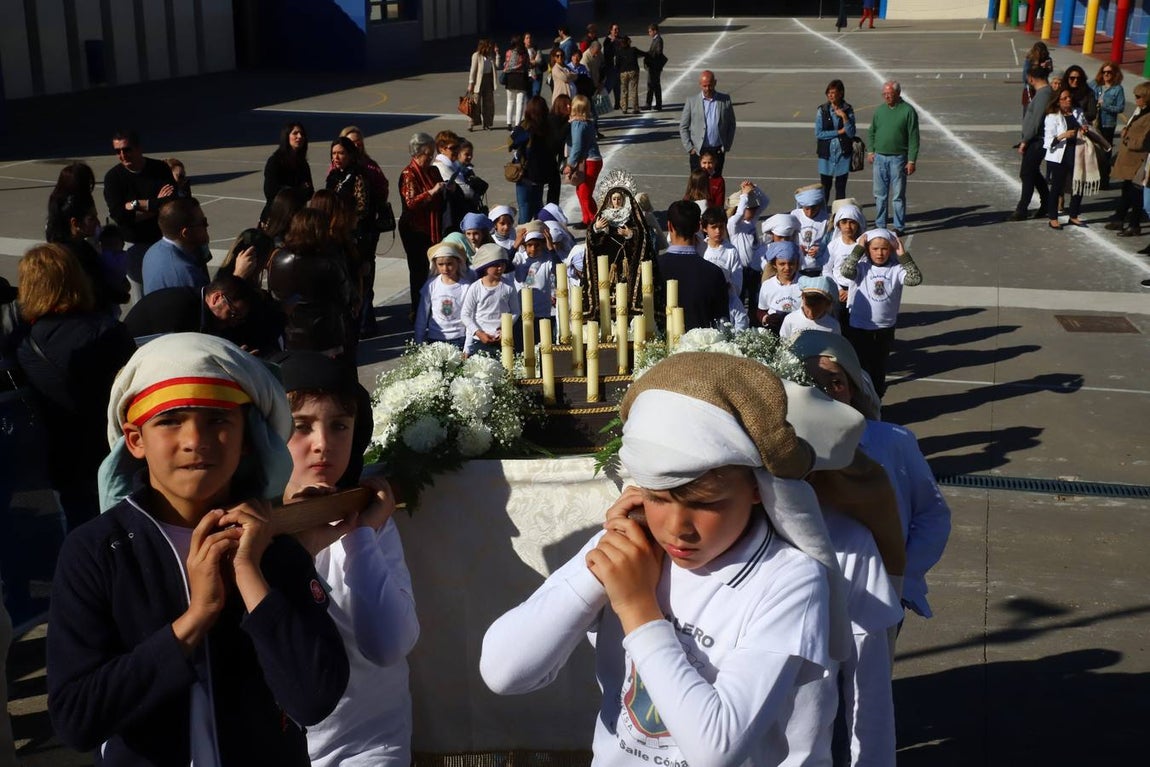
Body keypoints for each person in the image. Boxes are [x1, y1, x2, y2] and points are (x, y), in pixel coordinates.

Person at [481, 351, 866, 767]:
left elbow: (716, 749)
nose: (678, 529)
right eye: (658, 499)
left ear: (758, 488)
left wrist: (636, 607)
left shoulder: (788, 580)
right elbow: (505, 672)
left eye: (707, 503)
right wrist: (598, 566)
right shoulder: (631, 549)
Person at [46, 333, 349, 766]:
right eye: (170, 420)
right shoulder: (98, 551)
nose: (195, 440)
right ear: (134, 439)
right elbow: (77, 719)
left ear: (247, 436)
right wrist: (196, 619)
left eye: (217, 420)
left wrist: (249, 574)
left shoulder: (273, 545)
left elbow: (314, 698)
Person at [278, 352, 419, 767]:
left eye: (339, 426)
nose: (323, 444)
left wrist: (359, 536)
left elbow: (388, 644)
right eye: (300, 427)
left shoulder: (369, 522)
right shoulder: (255, 523)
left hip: (369, 744)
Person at [794, 331, 951, 631]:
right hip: (806, 598)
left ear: (852, 387)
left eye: (835, 383)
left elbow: (933, 515)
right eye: (809, 384)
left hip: (880, 597)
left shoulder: (893, 442)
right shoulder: (784, 453)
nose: (823, 393)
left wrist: (901, 576)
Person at [15, 244, 137, 531]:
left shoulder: (24, 343)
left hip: (63, 460)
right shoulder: (108, 332)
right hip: (114, 453)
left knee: (80, 534)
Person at [838, 229, 923, 398]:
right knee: (859, 368)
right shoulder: (861, 268)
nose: (880, 253)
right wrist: (858, 249)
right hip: (859, 327)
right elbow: (846, 271)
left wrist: (902, 254)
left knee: (878, 369)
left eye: (884, 249)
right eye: (875, 249)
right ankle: (858, 400)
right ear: (868, 249)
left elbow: (915, 278)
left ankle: (876, 401)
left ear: (890, 250)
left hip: (884, 329)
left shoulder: (896, 270)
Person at [268, 208, 357, 355]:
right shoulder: (328, 264)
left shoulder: (278, 259)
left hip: (288, 336)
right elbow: (344, 298)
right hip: (324, 337)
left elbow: (274, 293)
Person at [103, 129, 177, 300]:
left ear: (138, 148)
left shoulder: (159, 169)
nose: (122, 155)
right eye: (117, 151)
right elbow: (120, 216)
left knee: (168, 291)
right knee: (143, 297)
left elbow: (172, 201)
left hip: (163, 240)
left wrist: (135, 204)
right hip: (135, 244)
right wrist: (157, 205)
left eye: (126, 149)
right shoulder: (113, 178)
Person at [45, 190, 130, 314]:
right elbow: (94, 289)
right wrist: (120, 293)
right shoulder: (69, 255)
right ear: (75, 223)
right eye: (92, 219)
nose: (98, 223)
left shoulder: (83, 245)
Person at [124, 272, 258, 342]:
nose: (233, 323)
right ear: (216, 298)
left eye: (239, 319)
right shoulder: (179, 310)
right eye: (233, 314)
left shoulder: (200, 306)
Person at [657, 201, 726, 331]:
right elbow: (722, 324)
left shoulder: (652, 267)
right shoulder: (714, 273)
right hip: (699, 349)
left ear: (669, 226)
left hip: (657, 346)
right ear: (698, 227)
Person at [399, 132, 447, 312]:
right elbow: (411, 203)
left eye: (432, 154)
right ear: (417, 153)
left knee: (434, 270)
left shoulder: (433, 170)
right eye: (428, 154)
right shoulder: (408, 174)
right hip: (416, 229)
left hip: (434, 226)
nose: (431, 158)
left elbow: (440, 189)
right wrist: (432, 192)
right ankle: (418, 309)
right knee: (419, 271)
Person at [867, 81, 919, 236]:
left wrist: (911, 160)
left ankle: (899, 226)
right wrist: (871, 151)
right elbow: (872, 132)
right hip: (880, 158)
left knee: (898, 195)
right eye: (884, 94)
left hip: (898, 159)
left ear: (898, 93)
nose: (886, 96)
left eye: (889, 93)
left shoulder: (908, 111)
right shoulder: (879, 111)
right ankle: (880, 224)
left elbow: (913, 137)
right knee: (880, 194)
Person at [141, 197, 212, 294]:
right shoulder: (185, 273)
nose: (207, 225)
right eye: (203, 222)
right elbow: (208, 306)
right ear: (185, 233)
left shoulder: (153, 251)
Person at [1010, 62, 1052, 221]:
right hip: (1035, 139)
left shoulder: (1043, 94)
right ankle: (1046, 202)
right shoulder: (1043, 93)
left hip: (1037, 140)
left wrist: (1025, 140)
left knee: (1027, 173)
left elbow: (1035, 120)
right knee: (1032, 172)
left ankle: (1022, 208)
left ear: (1031, 78)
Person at [1043, 88, 1090, 230]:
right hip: (1059, 156)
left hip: (1077, 153)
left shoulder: (1078, 112)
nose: (1068, 100)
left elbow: (1085, 125)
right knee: (1057, 188)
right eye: (1064, 98)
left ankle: (1073, 215)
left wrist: (1085, 129)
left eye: (1069, 97)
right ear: (1057, 102)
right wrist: (1063, 136)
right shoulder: (1052, 117)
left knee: (1078, 186)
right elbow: (1048, 141)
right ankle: (1053, 218)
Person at [461, 243, 518, 357]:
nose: (500, 268)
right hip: (479, 341)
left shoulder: (508, 287)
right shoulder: (475, 288)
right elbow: (466, 315)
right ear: (485, 266)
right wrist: (478, 333)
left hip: (503, 340)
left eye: (502, 264)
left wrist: (505, 329)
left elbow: (515, 311)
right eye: (496, 265)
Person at [1108, 83, 1150, 237]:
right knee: (1126, 189)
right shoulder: (1141, 111)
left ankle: (1134, 224)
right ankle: (1120, 218)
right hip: (1130, 158)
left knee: (1136, 193)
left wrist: (1127, 139)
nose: (1136, 99)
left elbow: (1145, 141)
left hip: (1139, 160)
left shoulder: (1148, 116)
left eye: (1138, 97)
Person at [699, 206, 748, 329]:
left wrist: (727, 285)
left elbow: (737, 282)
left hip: (725, 300)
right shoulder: (701, 248)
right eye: (713, 227)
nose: (718, 231)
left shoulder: (731, 251)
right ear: (705, 228)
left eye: (721, 227)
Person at [509, 96, 557, 224]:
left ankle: (522, 240)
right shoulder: (548, 127)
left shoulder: (525, 126)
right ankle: (538, 236)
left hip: (526, 174)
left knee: (525, 210)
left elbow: (511, 142)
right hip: (540, 174)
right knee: (537, 207)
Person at [415, 241, 471, 347]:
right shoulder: (431, 285)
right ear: (435, 264)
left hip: (459, 338)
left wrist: (467, 346)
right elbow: (422, 314)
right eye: (441, 264)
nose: (445, 268)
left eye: (449, 264)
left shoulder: (466, 287)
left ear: (458, 262)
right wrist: (419, 340)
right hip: (435, 336)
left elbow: (469, 316)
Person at [680, 70, 737, 176]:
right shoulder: (691, 101)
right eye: (704, 86)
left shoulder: (725, 100)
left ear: (715, 83)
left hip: (717, 150)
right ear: (700, 84)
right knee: (697, 183)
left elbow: (731, 124)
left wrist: (726, 146)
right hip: (698, 150)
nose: (707, 89)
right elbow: (683, 126)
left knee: (716, 181)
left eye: (710, 85)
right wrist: (689, 148)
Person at [564, 95, 604, 227]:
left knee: (584, 192)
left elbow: (577, 146)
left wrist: (570, 164)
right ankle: (587, 219)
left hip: (590, 161)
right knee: (582, 191)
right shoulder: (587, 122)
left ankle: (595, 220)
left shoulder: (578, 124)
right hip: (592, 160)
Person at [262, 122, 314, 223]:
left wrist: (290, 190)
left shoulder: (303, 164)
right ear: (286, 136)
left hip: (297, 217)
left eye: (302, 134)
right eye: (295, 133)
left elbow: (309, 192)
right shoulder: (275, 161)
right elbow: (270, 191)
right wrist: (298, 190)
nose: (299, 136)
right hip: (276, 216)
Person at [816, 79, 857, 203]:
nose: (830, 95)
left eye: (833, 92)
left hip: (842, 155)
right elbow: (819, 133)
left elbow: (850, 132)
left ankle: (838, 218)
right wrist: (838, 132)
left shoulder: (848, 109)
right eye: (828, 92)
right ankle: (823, 217)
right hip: (826, 155)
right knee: (825, 188)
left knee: (840, 188)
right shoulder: (822, 110)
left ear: (841, 93)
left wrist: (844, 117)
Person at [756, 241, 802, 333]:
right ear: (774, 264)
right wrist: (767, 318)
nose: (787, 268)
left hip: (798, 330)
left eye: (791, 263)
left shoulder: (804, 283)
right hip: (774, 330)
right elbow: (761, 310)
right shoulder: (767, 285)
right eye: (782, 264)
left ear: (797, 263)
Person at [1091, 64, 1124, 189]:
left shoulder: (1117, 89)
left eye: (1109, 72)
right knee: (1093, 151)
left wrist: (1105, 106)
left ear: (1115, 74)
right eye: (1104, 72)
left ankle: (1104, 180)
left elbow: (1120, 108)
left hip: (1107, 124)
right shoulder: (1096, 85)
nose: (1106, 74)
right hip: (1094, 122)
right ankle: (1093, 179)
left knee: (1105, 152)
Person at [467, 38, 499, 131]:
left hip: (488, 80)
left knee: (488, 104)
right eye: (488, 46)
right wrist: (471, 83)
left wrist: (497, 54)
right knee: (475, 104)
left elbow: (496, 66)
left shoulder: (490, 56)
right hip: (478, 82)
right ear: (483, 46)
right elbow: (472, 70)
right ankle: (471, 123)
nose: (489, 47)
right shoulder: (476, 56)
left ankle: (487, 124)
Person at [503, 35, 530, 129]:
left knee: (510, 101)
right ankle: (517, 124)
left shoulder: (509, 52)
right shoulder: (524, 53)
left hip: (510, 78)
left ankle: (508, 123)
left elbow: (506, 64)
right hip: (521, 78)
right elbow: (528, 65)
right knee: (520, 102)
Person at [616, 36, 642, 115]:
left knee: (624, 91)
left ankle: (624, 108)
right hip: (633, 71)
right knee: (634, 89)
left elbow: (617, 64)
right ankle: (635, 107)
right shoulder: (633, 50)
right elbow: (643, 53)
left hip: (623, 72)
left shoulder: (619, 51)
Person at [643, 23, 665, 111]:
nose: (649, 33)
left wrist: (649, 55)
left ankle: (651, 104)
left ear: (655, 31)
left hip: (655, 67)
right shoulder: (656, 39)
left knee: (652, 85)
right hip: (654, 66)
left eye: (650, 31)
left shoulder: (658, 40)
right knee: (654, 85)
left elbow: (658, 52)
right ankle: (656, 104)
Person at [602, 22, 622, 110]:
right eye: (615, 29)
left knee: (618, 86)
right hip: (610, 67)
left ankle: (618, 103)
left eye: (617, 29)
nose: (617, 31)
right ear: (610, 31)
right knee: (608, 86)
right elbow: (606, 52)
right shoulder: (607, 40)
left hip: (618, 66)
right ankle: (601, 104)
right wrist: (612, 42)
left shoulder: (620, 39)